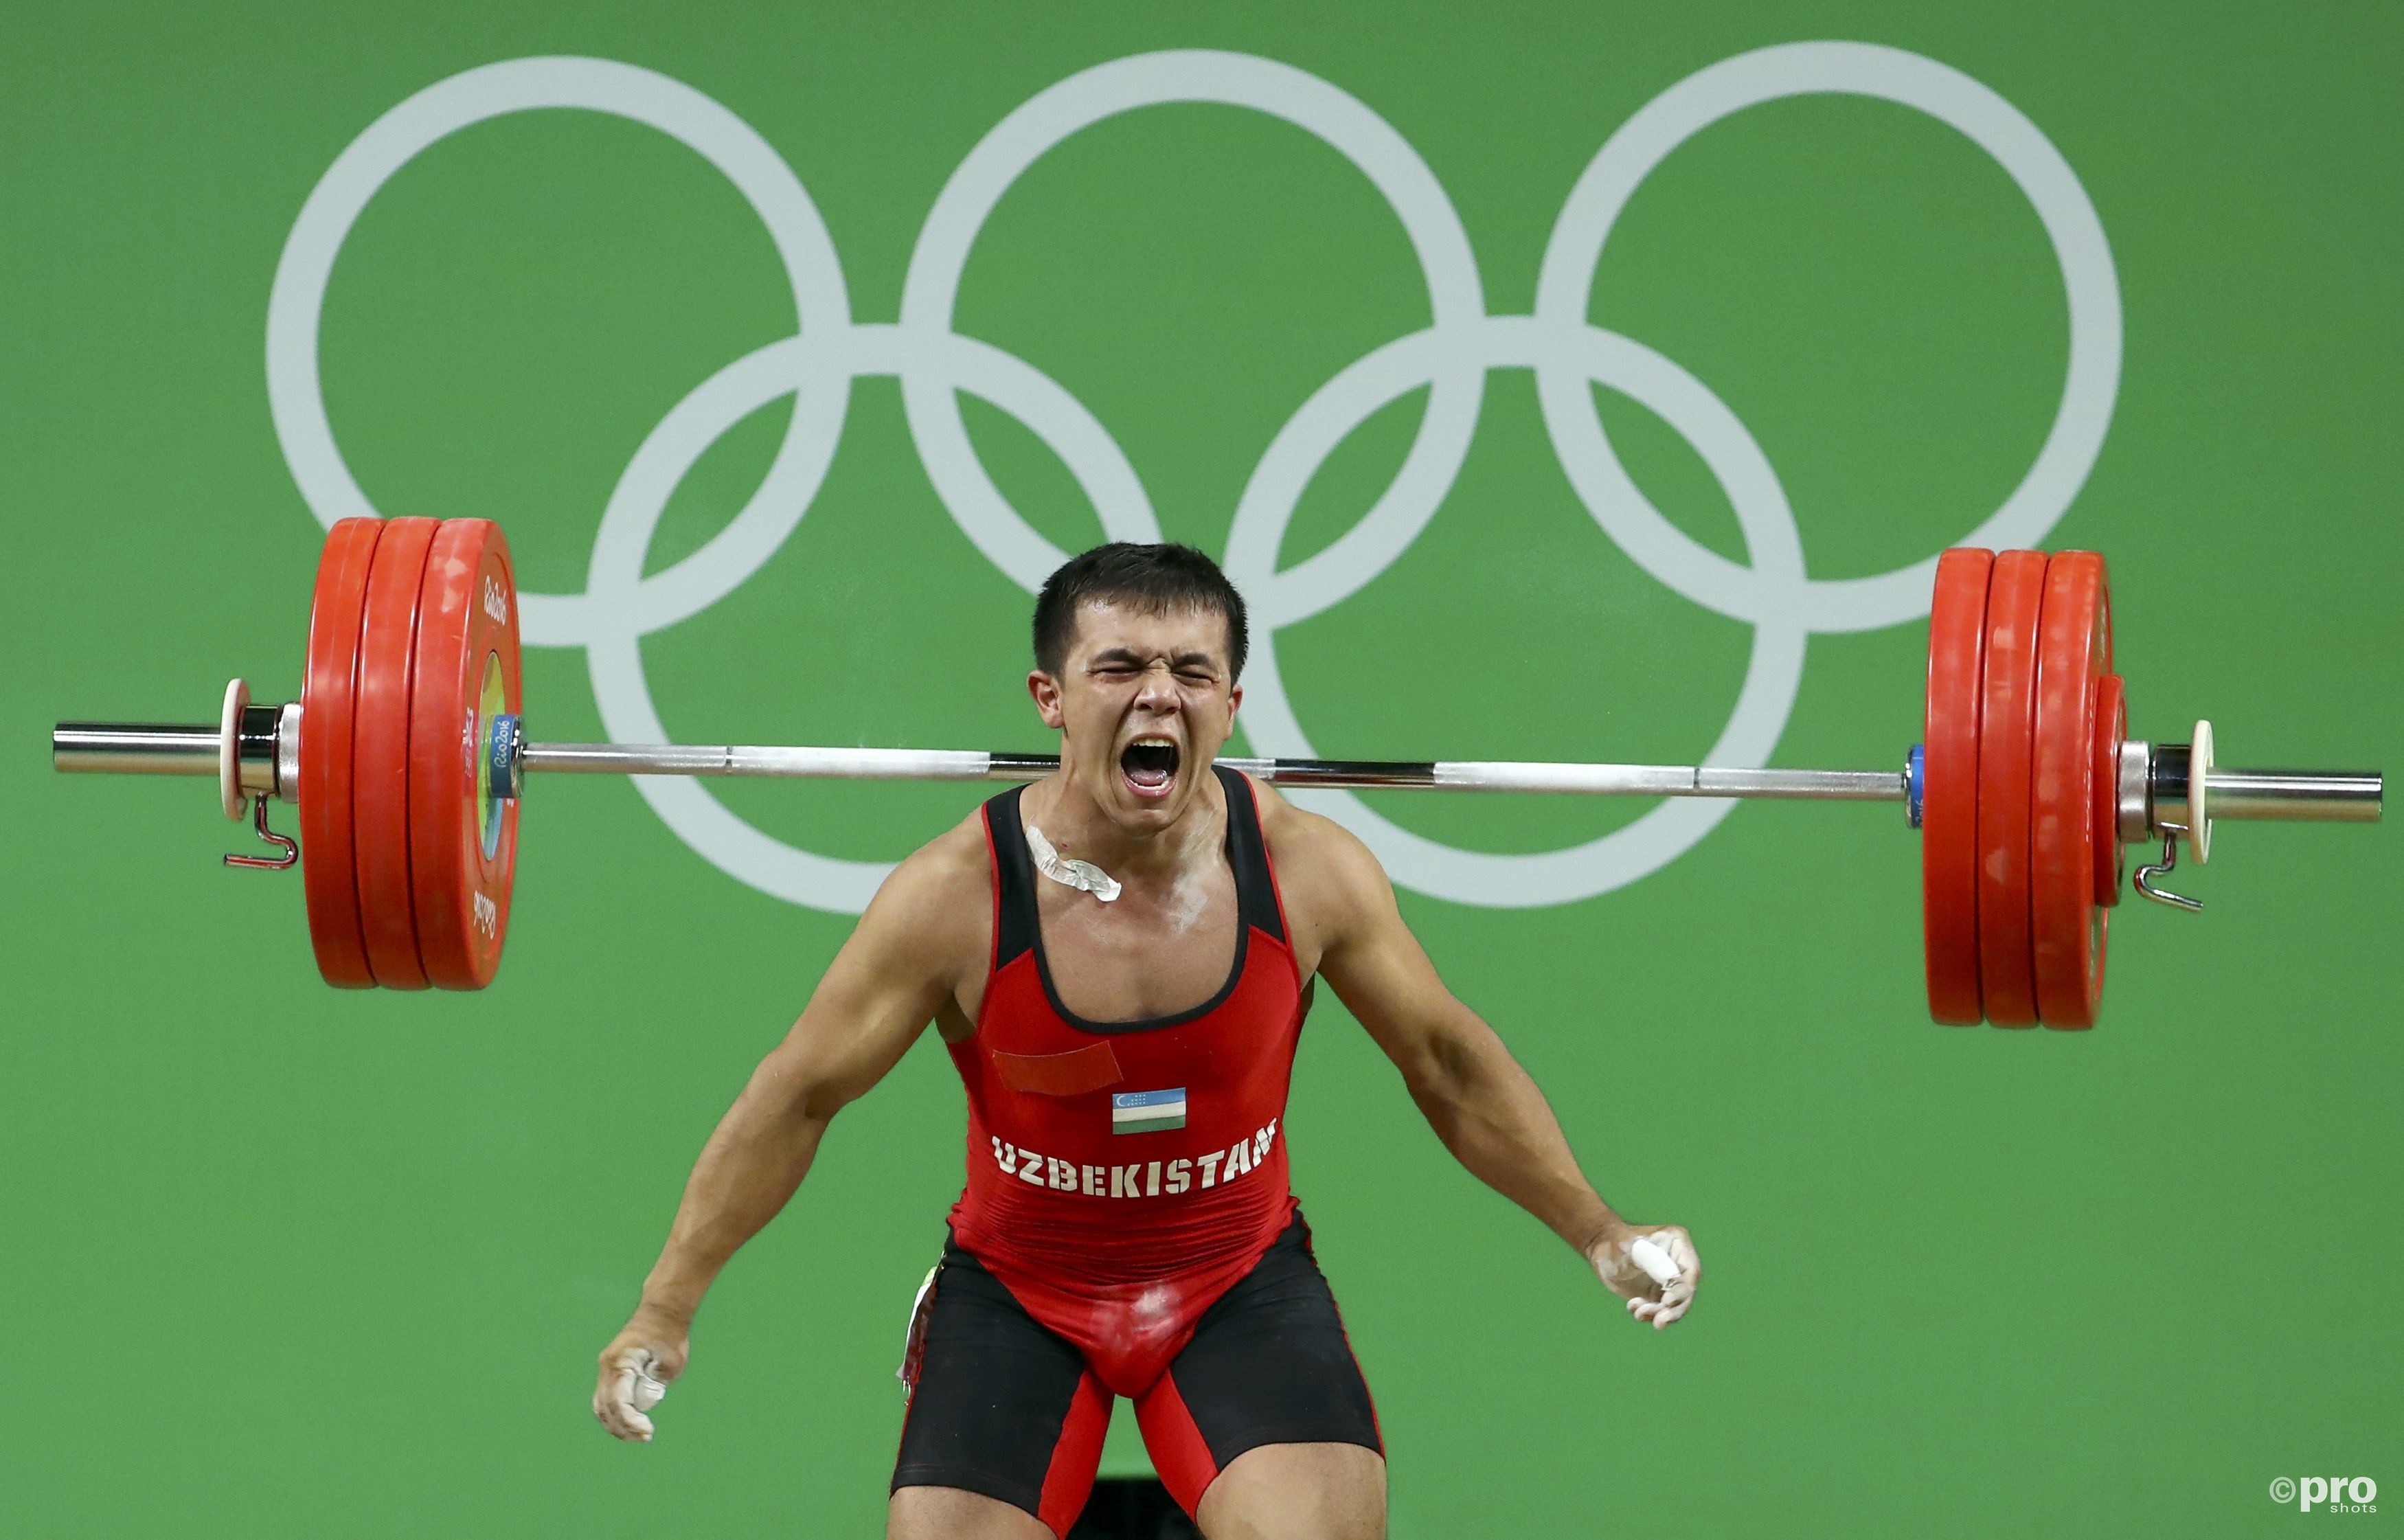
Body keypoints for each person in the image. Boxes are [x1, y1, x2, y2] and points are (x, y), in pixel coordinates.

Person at [593, 543, 1700, 1539]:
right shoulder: (953, 898)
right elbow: (796, 1097)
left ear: (1231, 704)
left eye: (1191, 671)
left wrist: (1597, 1228)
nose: (1158, 693)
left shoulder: (1307, 871)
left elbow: (1447, 1063)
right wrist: (666, 1303)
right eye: (1119, 666)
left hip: (1235, 1282)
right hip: (1020, 1290)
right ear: (1052, 698)